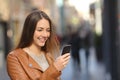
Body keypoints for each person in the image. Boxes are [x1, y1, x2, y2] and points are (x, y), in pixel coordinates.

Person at [6, 10, 70, 80]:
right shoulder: (15, 58)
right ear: (29, 30)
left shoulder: (48, 55)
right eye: (40, 30)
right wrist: (54, 68)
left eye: (48, 30)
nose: (45, 35)